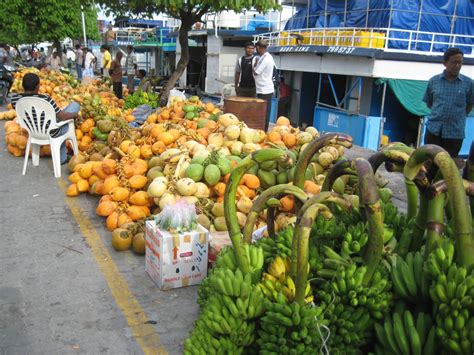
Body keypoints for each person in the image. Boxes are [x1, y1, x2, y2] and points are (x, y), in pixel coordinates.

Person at [11, 73, 80, 164]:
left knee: (57, 117)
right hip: (52, 132)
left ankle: (61, 157)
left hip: (32, 131)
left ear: (23, 85)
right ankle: (62, 158)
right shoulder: (45, 99)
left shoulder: (15, 99)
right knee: (75, 105)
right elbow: (62, 117)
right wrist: (75, 115)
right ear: (37, 87)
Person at [423, 47, 473, 158]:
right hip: (434, 131)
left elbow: (469, 105)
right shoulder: (433, 81)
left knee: (448, 167)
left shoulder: (469, 83)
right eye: (454, 62)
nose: (457, 66)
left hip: (455, 133)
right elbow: (429, 103)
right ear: (444, 63)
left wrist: (456, 116)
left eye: (460, 63)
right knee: (429, 164)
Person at [253, 39, 276, 130]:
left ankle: (263, 131)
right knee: (263, 112)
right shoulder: (268, 56)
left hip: (264, 90)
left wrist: (254, 64)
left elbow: (256, 72)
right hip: (263, 89)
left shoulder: (265, 58)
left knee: (263, 113)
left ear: (258, 47)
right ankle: (262, 130)